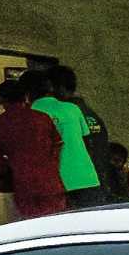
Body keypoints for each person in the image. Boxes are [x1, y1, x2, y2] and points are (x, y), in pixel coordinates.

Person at [0, 74, 68, 220]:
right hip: (51, 183)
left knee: (33, 228)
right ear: (25, 96)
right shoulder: (42, 118)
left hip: (24, 185)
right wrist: (52, 164)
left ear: (1, 99)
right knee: (58, 224)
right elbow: (57, 146)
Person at [32, 64, 107, 209]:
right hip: (89, 178)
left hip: (59, 182)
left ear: (50, 86)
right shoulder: (78, 110)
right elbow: (89, 143)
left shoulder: (36, 109)